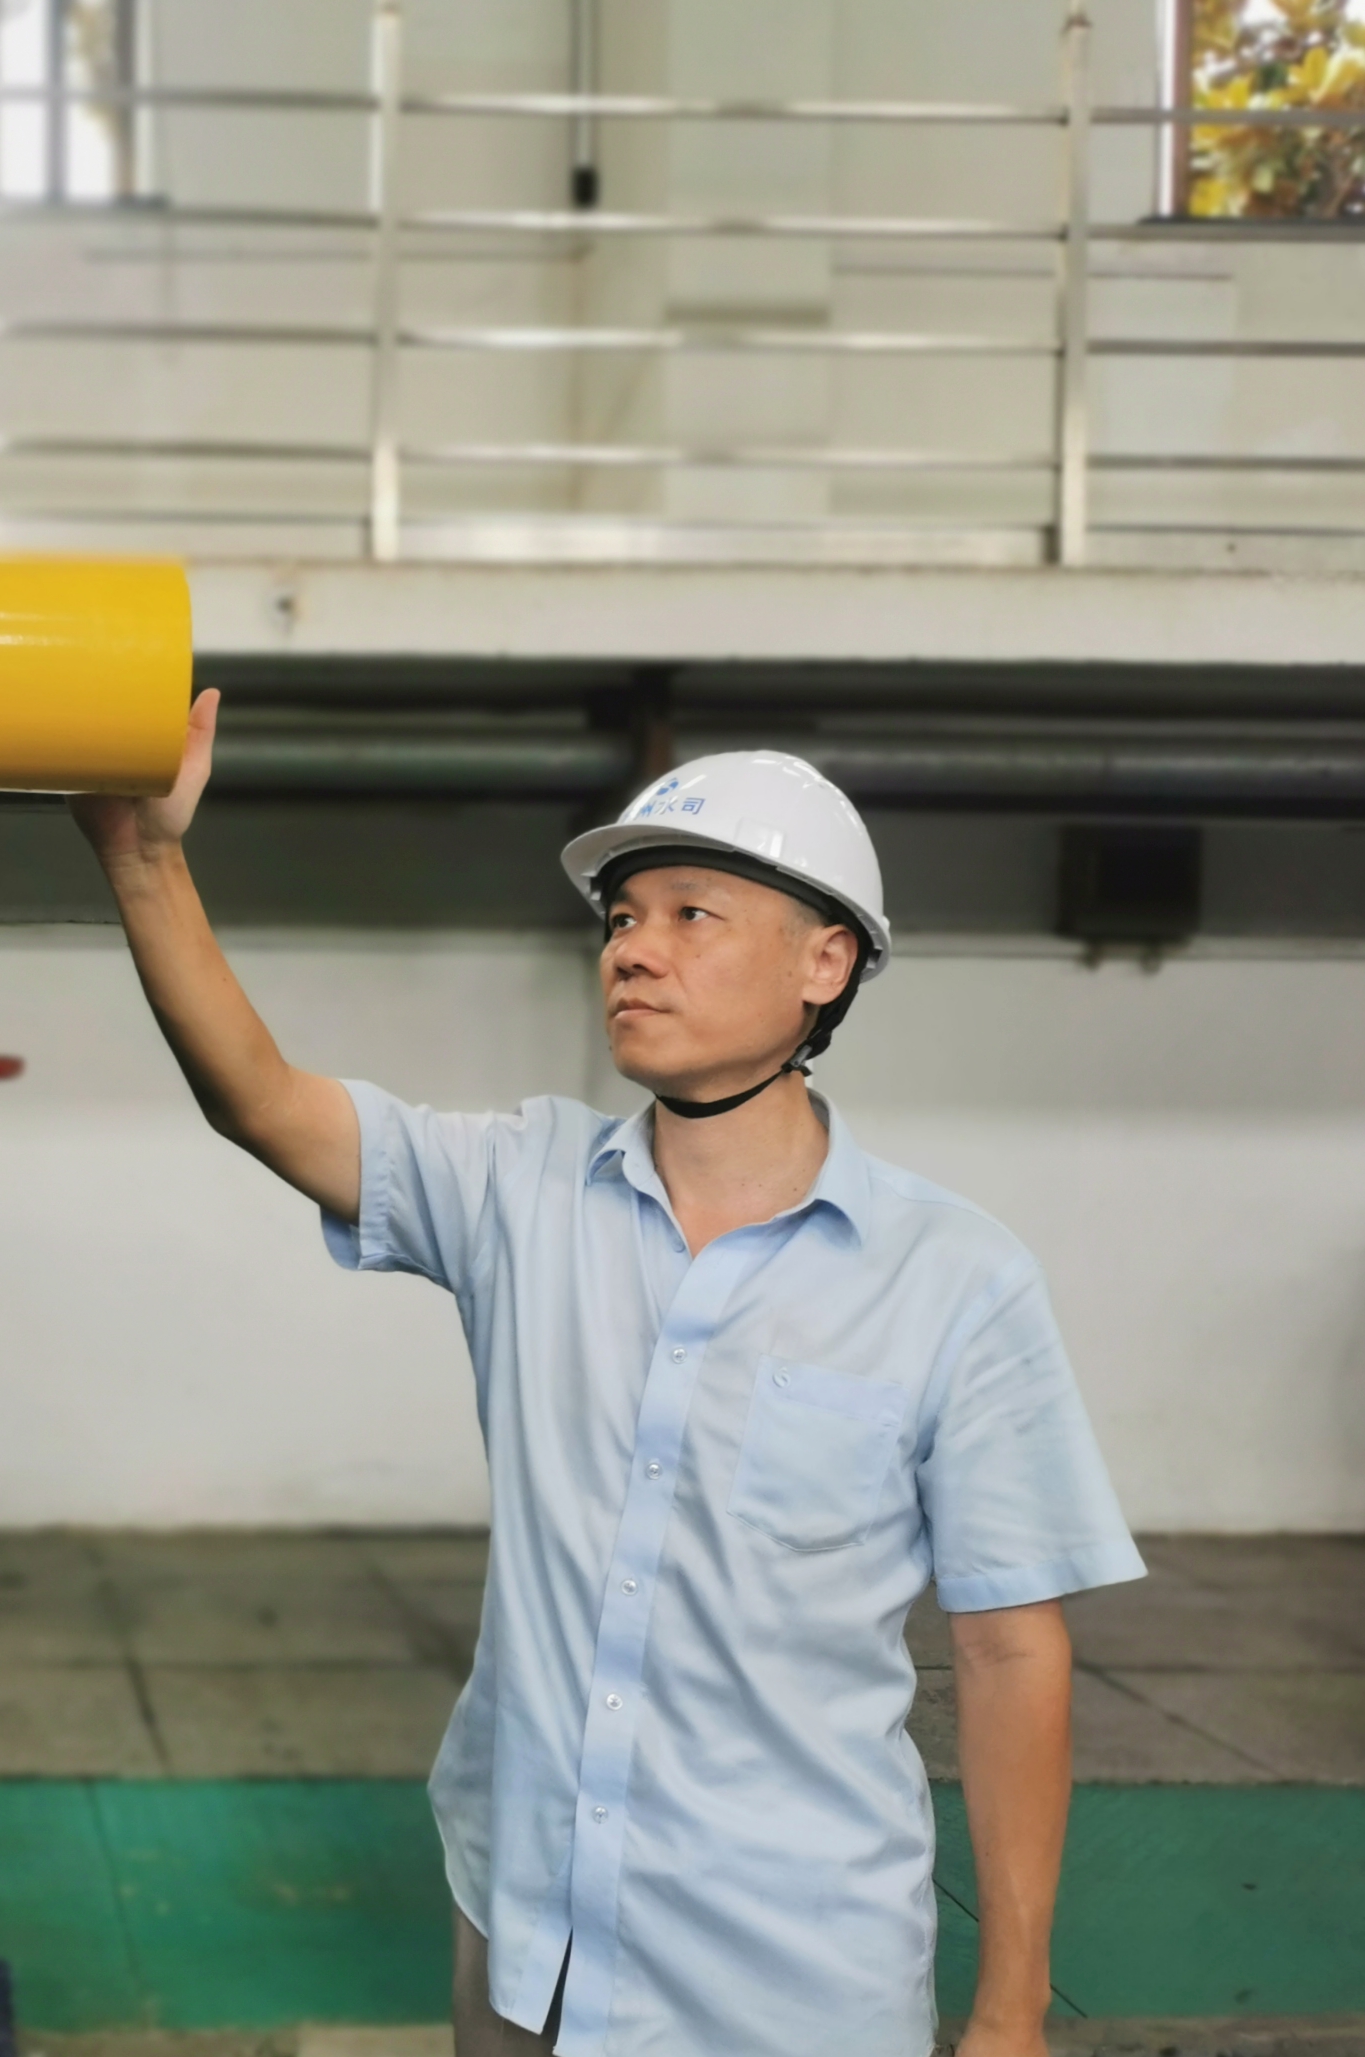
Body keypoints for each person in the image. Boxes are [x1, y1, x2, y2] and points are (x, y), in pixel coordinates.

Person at [74, 694, 1144, 2057]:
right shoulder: (521, 1189)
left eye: (692, 915)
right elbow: (262, 1099)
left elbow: (1009, 1650)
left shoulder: (955, 1280)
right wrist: (145, 859)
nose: (634, 948)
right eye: (623, 919)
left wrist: (1010, 2004)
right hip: (530, 1943)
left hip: (792, 1980)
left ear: (825, 962)